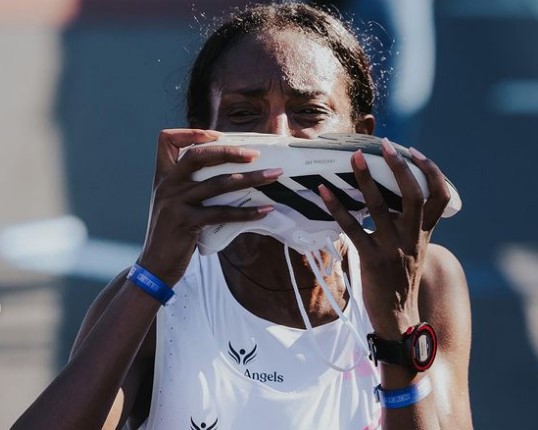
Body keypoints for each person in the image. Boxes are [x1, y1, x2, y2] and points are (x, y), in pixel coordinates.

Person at [12, 3, 472, 429]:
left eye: (309, 112)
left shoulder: (427, 282)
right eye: (243, 113)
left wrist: (396, 328)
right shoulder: (157, 301)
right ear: (201, 136)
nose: (278, 135)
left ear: (362, 136)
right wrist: (152, 272)